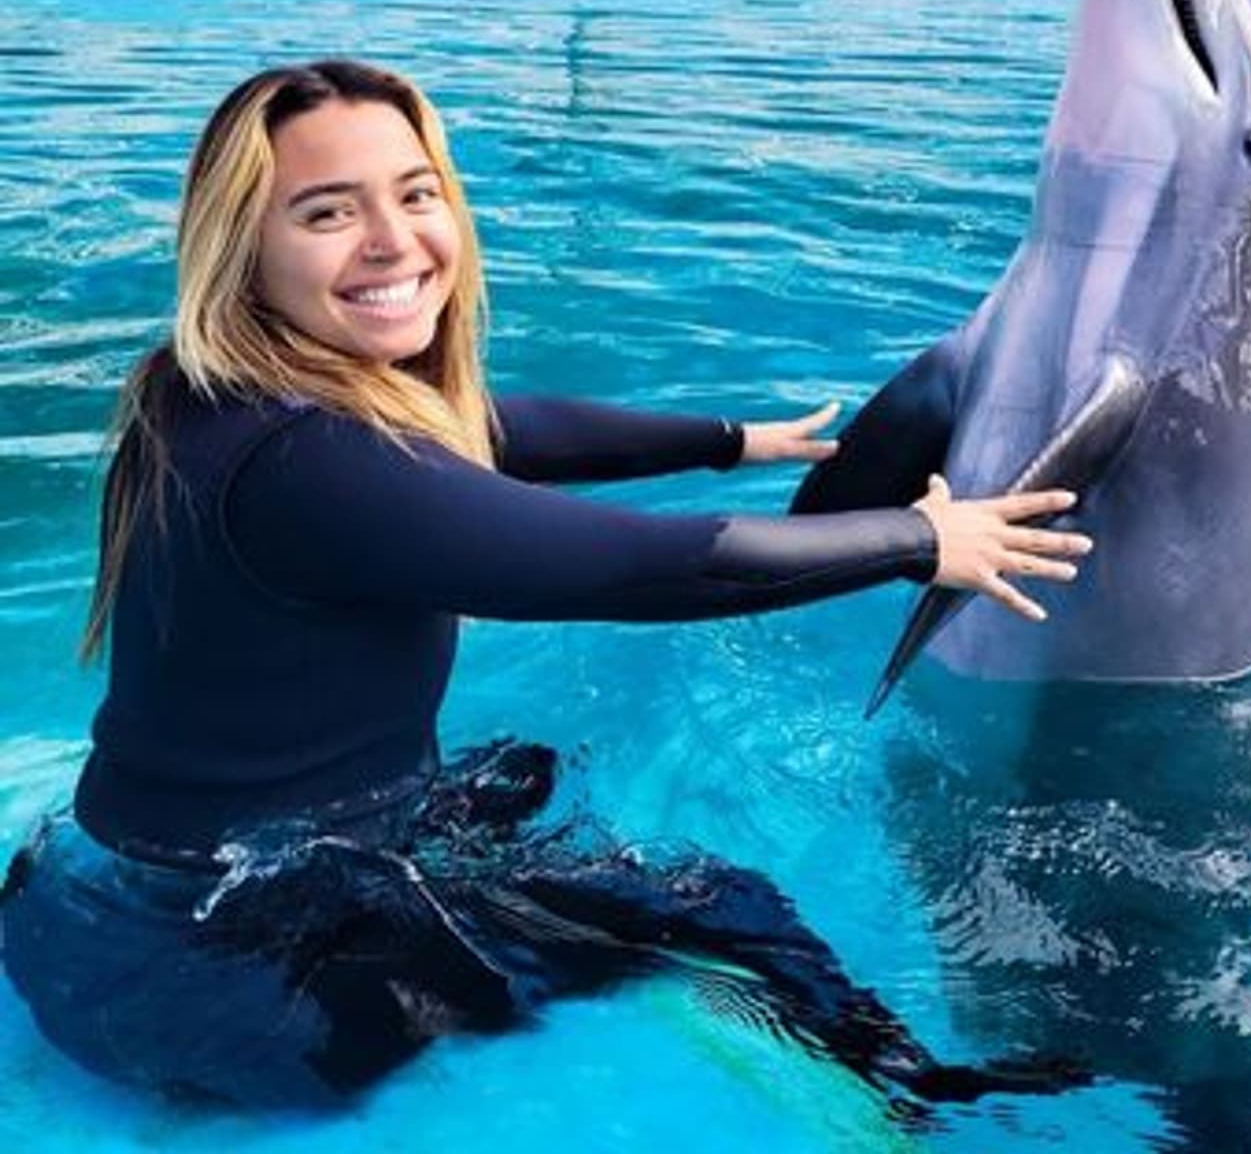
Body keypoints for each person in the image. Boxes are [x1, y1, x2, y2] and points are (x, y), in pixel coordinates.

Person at [0, 59, 1094, 1112]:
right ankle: (921, 1106)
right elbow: (653, 566)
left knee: (516, 777)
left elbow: (499, 428)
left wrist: (732, 439)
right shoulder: (311, 465)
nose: (393, 239)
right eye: (327, 212)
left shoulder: (199, 390)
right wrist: (922, 537)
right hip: (224, 973)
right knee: (720, 912)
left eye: (415, 193)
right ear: (243, 249)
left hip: (99, 901)